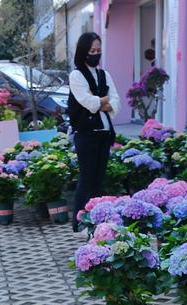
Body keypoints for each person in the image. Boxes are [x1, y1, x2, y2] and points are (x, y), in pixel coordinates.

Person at [68, 31, 120, 230]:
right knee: (86, 179)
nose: (96, 54)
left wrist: (101, 101)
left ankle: (97, 221)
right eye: (92, 50)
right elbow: (88, 102)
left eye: (98, 50)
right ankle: (79, 221)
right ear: (84, 51)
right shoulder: (76, 75)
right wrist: (102, 100)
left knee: (99, 180)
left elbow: (116, 102)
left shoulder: (104, 74)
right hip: (86, 134)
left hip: (104, 133)